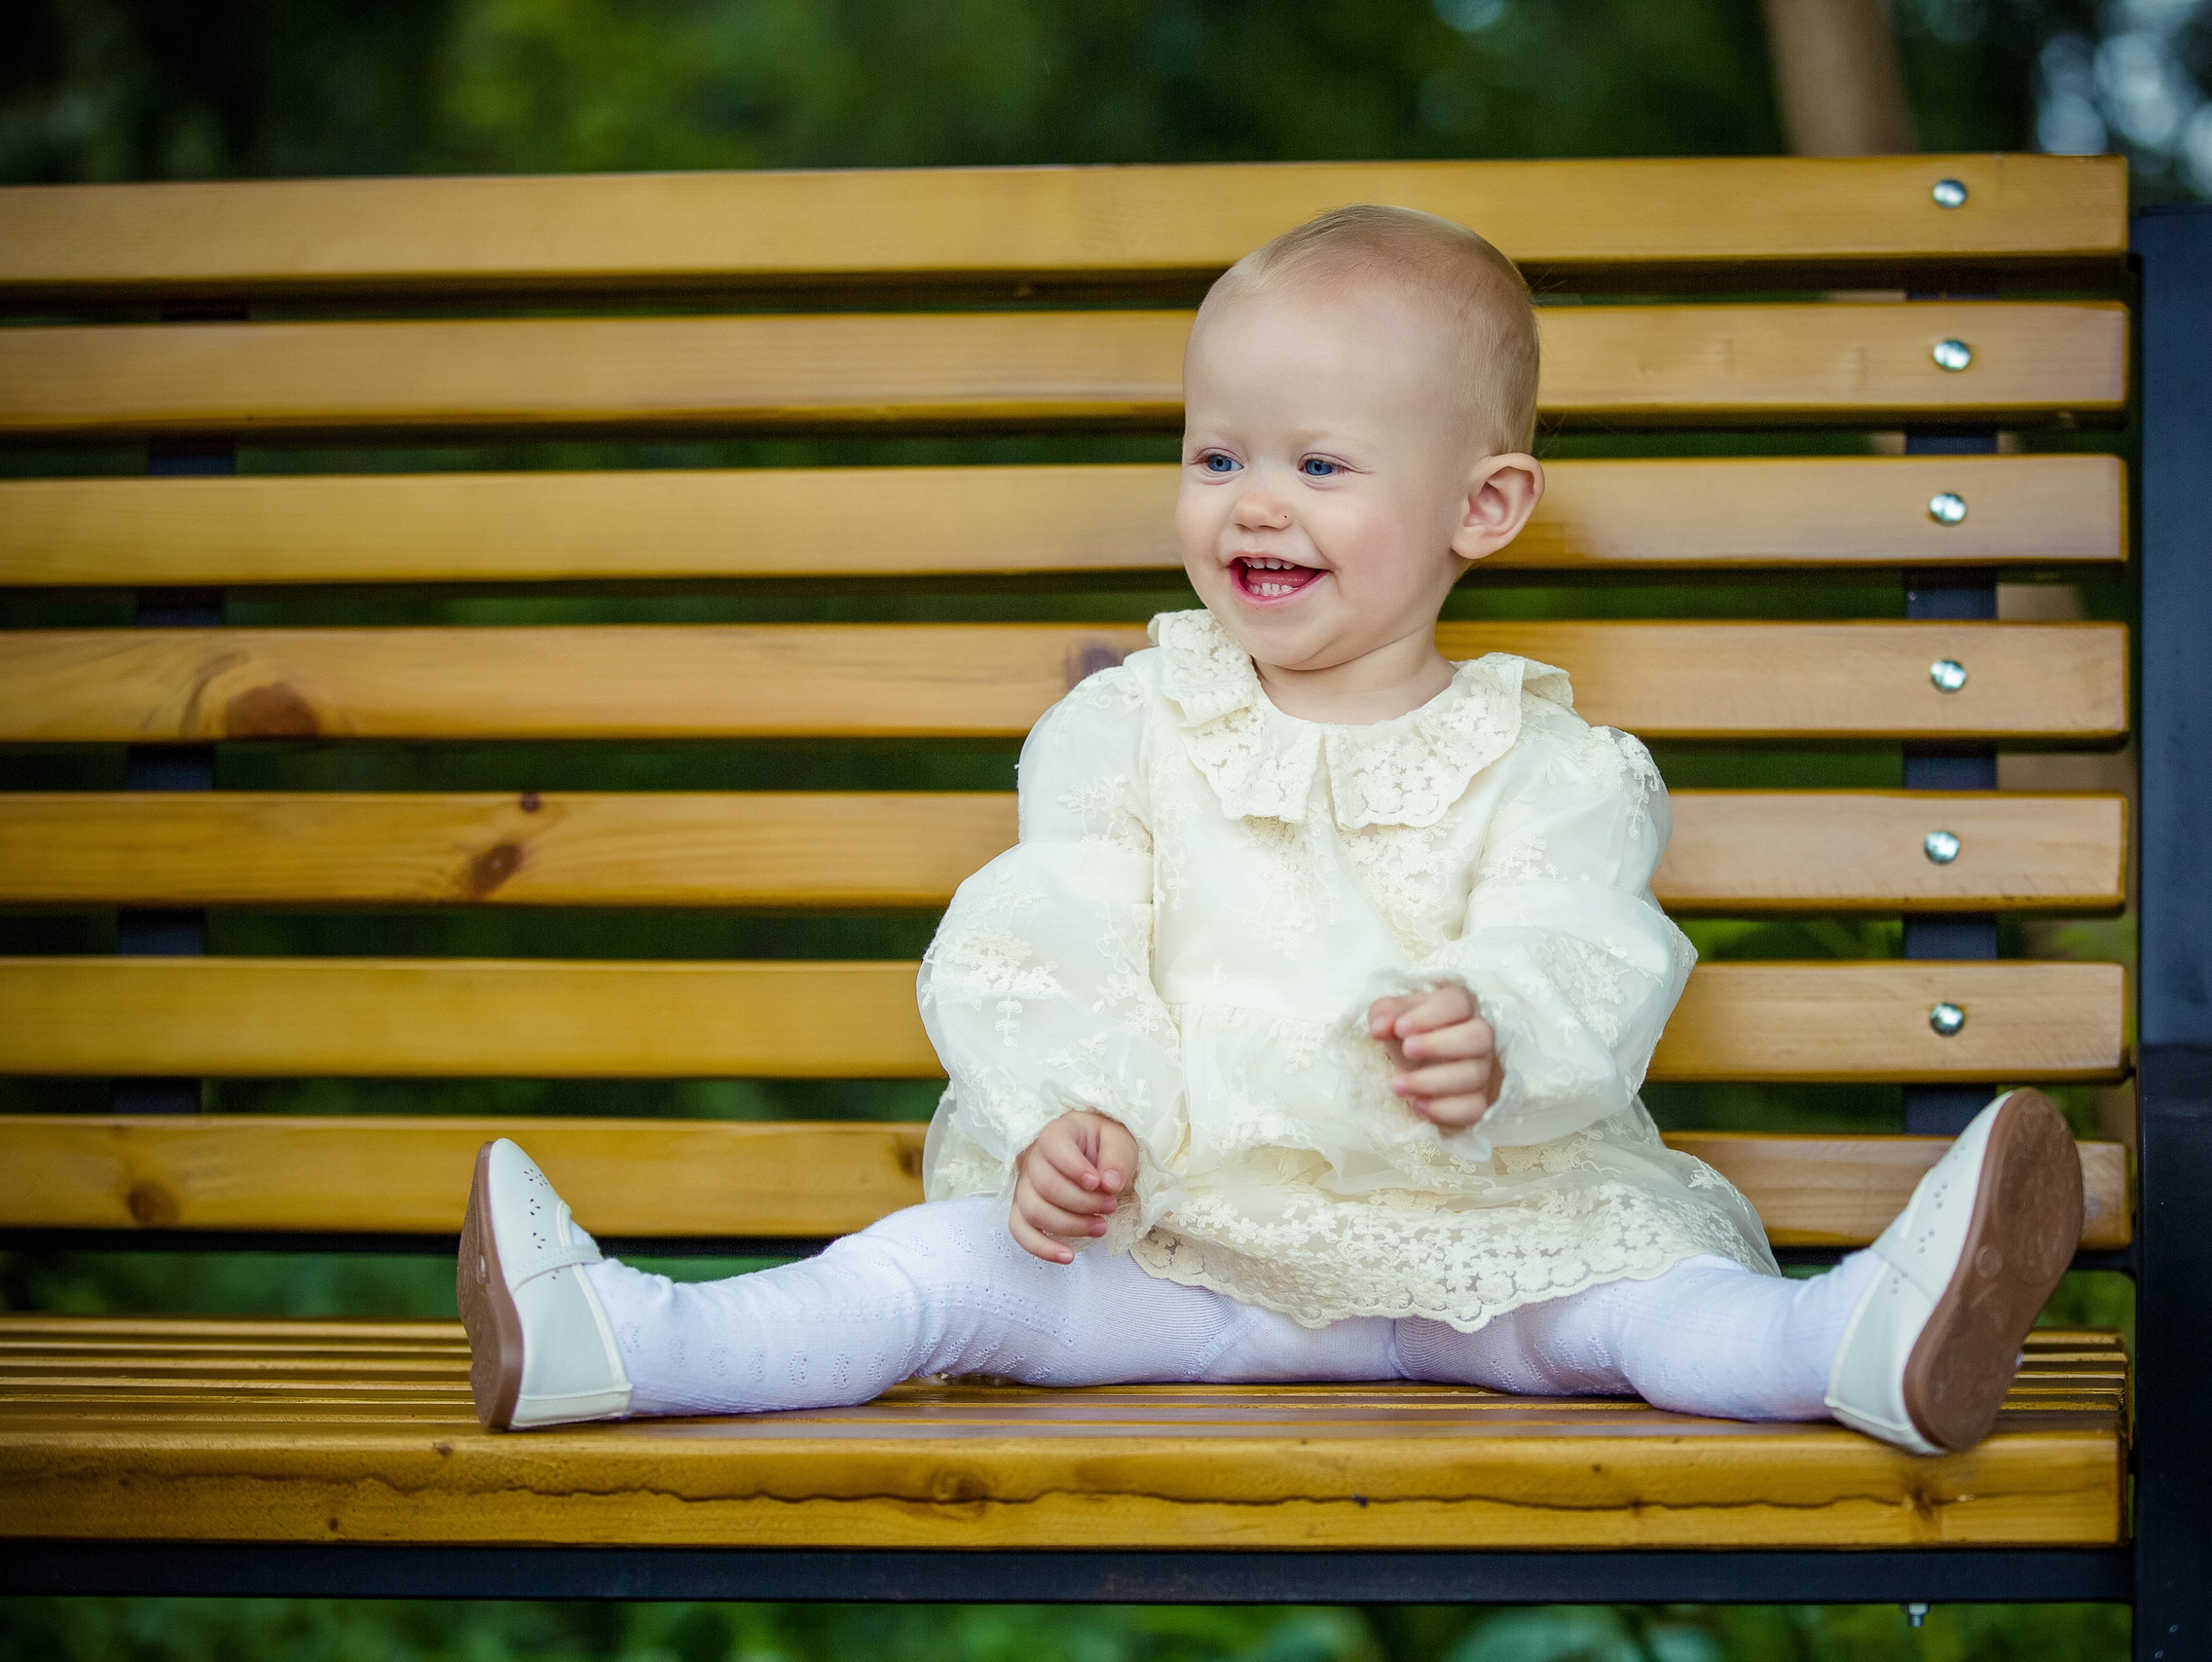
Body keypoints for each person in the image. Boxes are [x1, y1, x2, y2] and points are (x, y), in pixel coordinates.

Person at [458, 204, 2083, 1456]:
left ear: (1483, 508)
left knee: (1645, 1313)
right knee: (934, 1274)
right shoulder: (1126, 729)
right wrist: (1065, 1123)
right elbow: (1056, 930)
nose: (1253, 502)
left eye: (1320, 462)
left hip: (1474, 1244)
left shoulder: (1553, 765)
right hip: (1172, 1238)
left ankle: (1858, 1344)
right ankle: (626, 1343)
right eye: (1216, 453)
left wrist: (1498, 1031)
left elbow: (1584, 942)